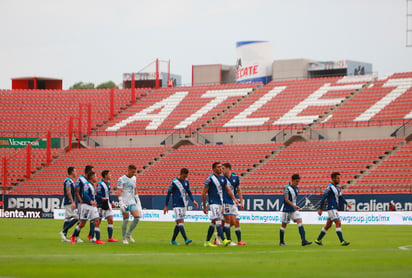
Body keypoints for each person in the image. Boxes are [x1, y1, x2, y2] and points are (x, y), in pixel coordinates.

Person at [202, 162, 239, 247]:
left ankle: (207, 241)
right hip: (213, 203)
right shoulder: (210, 179)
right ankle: (224, 240)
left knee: (213, 223)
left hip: (221, 203)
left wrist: (234, 199)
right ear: (214, 169)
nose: (220, 169)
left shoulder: (222, 178)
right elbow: (204, 193)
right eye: (218, 167)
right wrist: (204, 206)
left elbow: (228, 190)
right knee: (218, 221)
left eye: (221, 167)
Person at [315, 172, 352, 246]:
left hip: (334, 208)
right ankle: (342, 241)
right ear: (333, 178)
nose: (339, 180)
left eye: (339, 178)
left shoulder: (338, 187)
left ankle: (318, 240)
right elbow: (324, 197)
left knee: (328, 225)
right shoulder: (329, 187)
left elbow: (340, 197)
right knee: (338, 223)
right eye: (337, 178)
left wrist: (346, 203)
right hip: (331, 208)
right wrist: (320, 209)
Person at [163, 168, 199, 245]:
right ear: (180, 174)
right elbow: (168, 194)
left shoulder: (186, 181)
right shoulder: (174, 183)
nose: (184, 178)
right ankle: (186, 239)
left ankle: (173, 240)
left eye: (186, 177)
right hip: (176, 205)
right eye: (183, 176)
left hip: (183, 205)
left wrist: (193, 200)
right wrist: (166, 205)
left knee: (178, 224)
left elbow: (189, 192)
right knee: (180, 223)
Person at [70, 171, 106, 244]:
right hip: (86, 206)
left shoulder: (93, 185)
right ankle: (73, 236)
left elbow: (92, 195)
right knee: (82, 224)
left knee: (97, 221)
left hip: (92, 206)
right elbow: (85, 194)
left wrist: (100, 198)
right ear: (92, 177)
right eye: (95, 176)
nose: (96, 178)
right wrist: (90, 201)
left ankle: (98, 239)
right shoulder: (86, 185)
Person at [279, 174, 312, 246]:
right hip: (287, 210)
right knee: (284, 225)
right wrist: (294, 206)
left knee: (300, 222)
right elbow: (286, 199)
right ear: (292, 180)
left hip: (294, 210)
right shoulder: (286, 188)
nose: (297, 183)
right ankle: (281, 242)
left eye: (298, 181)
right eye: (296, 181)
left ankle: (303, 241)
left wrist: (294, 206)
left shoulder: (297, 188)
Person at [221, 163, 246, 246]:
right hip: (225, 202)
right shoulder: (221, 178)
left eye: (223, 168)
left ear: (228, 168)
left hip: (233, 202)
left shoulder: (235, 178)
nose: (222, 170)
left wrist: (241, 202)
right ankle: (228, 240)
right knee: (228, 221)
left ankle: (239, 240)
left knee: (236, 221)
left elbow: (239, 190)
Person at [118, 164, 142, 245]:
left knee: (137, 217)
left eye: (134, 172)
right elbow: (119, 191)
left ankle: (128, 233)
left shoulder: (134, 178)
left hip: (131, 201)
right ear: (128, 170)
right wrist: (121, 202)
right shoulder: (121, 179)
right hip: (124, 201)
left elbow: (135, 189)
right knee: (126, 219)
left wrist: (138, 201)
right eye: (132, 172)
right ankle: (124, 238)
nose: (133, 174)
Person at [96, 170, 118, 242]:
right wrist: (102, 198)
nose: (111, 175)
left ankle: (110, 238)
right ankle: (96, 238)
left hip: (107, 204)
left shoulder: (108, 183)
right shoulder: (100, 184)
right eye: (109, 174)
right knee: (98, 221)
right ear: (105, 175)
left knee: (110, 219)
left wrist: (111, 203)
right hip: (101, 205)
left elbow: (108, 195)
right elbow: (97, 195)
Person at [75, 165, 95, 242]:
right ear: (88, 171)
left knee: (93, 219)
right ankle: (76, 236)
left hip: (90, 203)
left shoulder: (90, 180)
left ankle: (91, 236)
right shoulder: (80, 179)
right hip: (83, 203)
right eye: (92, 171)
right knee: (81, 221)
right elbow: (77, 191)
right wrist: (80, 201)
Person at [60, 166, 79, 242]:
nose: (76, 172)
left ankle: (64, 237)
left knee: (67, 219)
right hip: (69, 202)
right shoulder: (68, 181)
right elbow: (68, 192)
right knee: (76, 217)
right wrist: (72, 201)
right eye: (75, 171)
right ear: (72, 172)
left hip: (68, 201)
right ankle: (63, 231)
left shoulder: (70, 181)